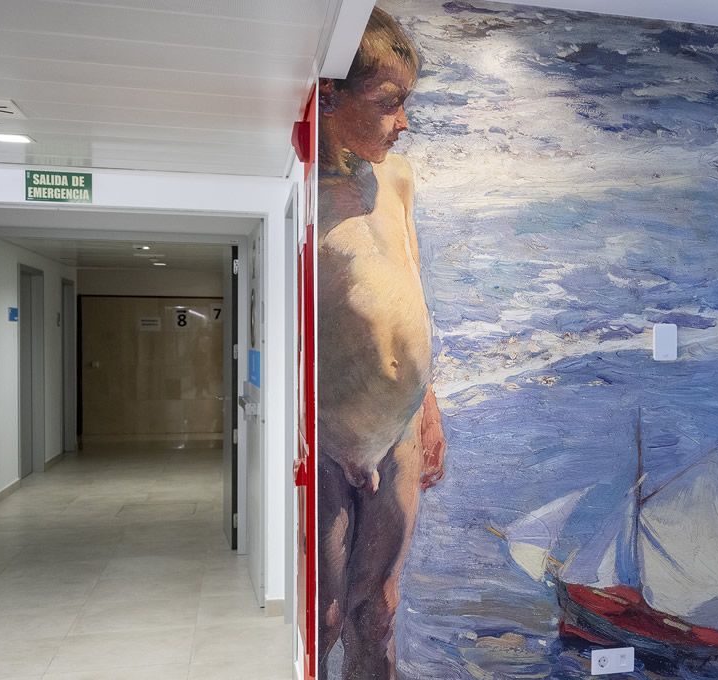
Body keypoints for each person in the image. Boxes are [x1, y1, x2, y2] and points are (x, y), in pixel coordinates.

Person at [316, 8, 445, 678]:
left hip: (398, 427)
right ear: (330, 97)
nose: (402, 123)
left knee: (383, 609)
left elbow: (412, 285)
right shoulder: (301, 197)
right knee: (330, 615)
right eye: (388, 104)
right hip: (335, 435)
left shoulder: (395, 179)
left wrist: (430, 408)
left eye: (406, 104)